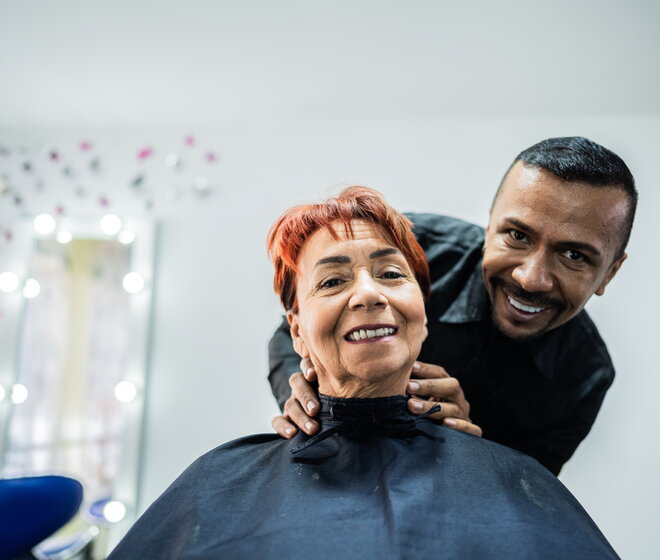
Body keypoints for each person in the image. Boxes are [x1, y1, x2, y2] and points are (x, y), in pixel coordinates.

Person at [108, 187, 619, 559]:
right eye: (332, 280)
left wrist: (483, 453)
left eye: (392, 275)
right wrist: (305, 386)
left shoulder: (581, 375)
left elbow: (523, 506)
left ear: (424, 312)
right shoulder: (219, 481)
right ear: (298, 330)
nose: (370, 294)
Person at [269, 137, 637, 474]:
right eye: (517, 236)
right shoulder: (409, 249)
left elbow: (524, 494)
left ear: (610, 273)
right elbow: (291, 330)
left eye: (574, 255)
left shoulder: (583, 378)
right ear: (489, 225)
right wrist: (300, 391)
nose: (530, 279)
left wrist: (470, 448)